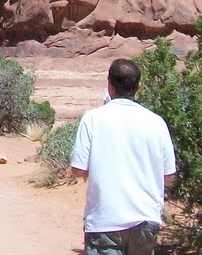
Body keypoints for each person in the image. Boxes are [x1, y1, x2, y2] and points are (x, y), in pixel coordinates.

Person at [70, 58, 176, 255]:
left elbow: (78, 169)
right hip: (146, 220)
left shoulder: (93, 118)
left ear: (109, 85)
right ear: (138, 87)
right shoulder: (157, 122)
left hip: (105, 220)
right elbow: (168, 176)